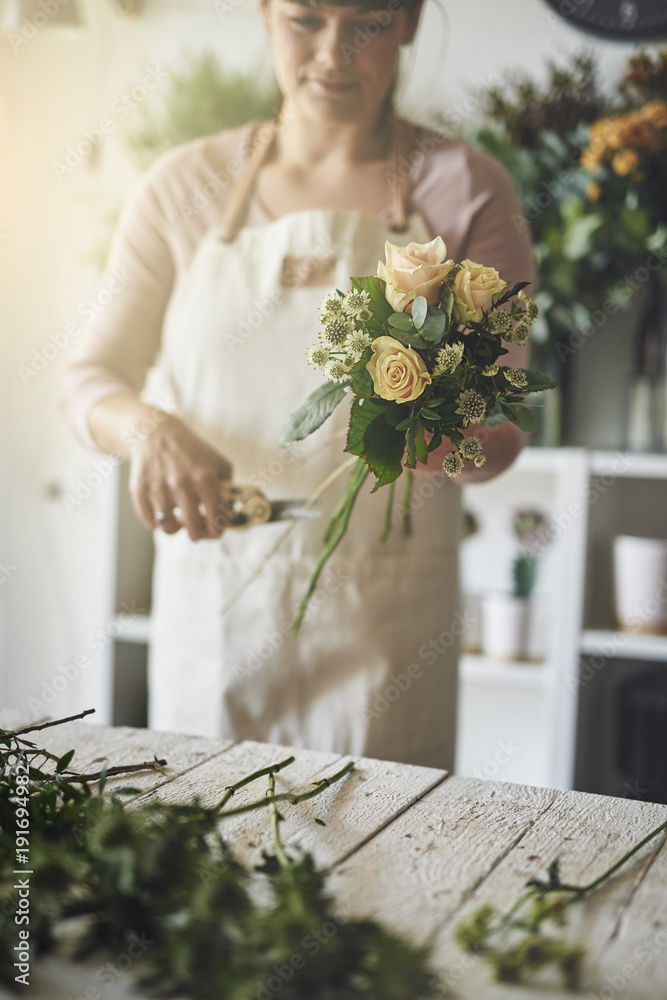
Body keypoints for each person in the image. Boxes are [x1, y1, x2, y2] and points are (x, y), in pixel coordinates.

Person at [62, 0, 534, 770]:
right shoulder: (182, 188)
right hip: (215, 618)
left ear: (410, 21)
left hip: (386, 631)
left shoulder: (468, 191)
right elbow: (89, 381)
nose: (334, 54)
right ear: (264, 14)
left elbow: (500, 429)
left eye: (368, 22)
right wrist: (145, 430)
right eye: (305, 19)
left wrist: (450, 439)